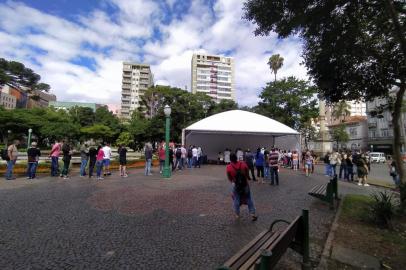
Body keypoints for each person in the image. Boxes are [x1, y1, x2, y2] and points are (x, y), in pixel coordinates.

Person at [226, 153, 258, 221]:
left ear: (230, 159)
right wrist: (245, 178)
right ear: (236, 158)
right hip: (245, 184)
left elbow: (229, 178)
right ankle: (252, 214)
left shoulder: (228, 167)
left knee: (236, 199)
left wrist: (234, 181)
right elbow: (247, 173)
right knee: (249, 198)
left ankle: (237, 214)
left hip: (236, 185)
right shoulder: (243, 164)